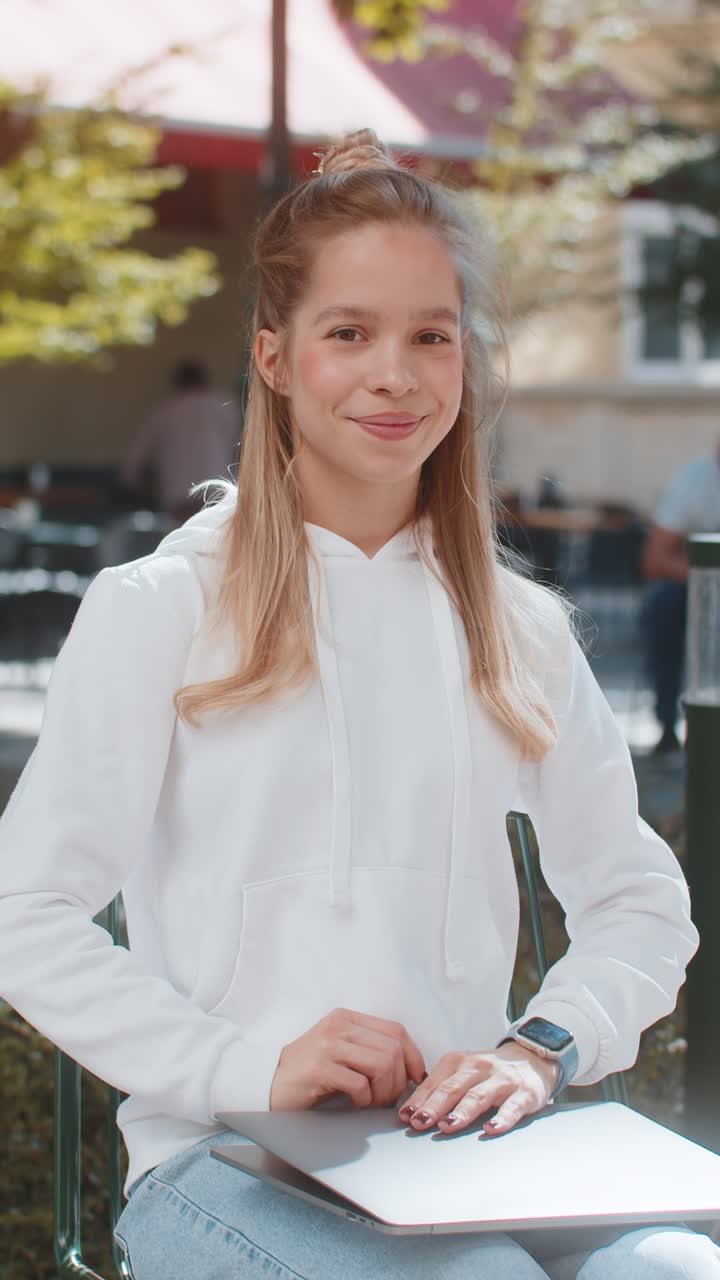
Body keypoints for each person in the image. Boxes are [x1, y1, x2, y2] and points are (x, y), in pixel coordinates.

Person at [0, 129, 716, 1280]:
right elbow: (22, 905)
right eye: (350, 334)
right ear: (275, 359)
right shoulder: (160, 608)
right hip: (219, 1158)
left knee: (678, 1267)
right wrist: (244, 1065)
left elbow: (639, 899)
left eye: (432, 335)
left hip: (459, 1154)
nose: (397, 373)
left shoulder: (515, 629)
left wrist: (541, 1046)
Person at [642, 442, 720, 756]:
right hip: (694, 586)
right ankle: (667, 725)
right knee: (664, 603)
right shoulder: (695, 481)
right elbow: (654, 560)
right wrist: (707, 577)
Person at [119, 358, 241, 524]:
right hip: (218, 489)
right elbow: (240, 444)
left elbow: (137, 454)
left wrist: (129, 483)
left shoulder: (165, 409)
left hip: (178, 496)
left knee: (182, 542)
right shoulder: (223, 405)